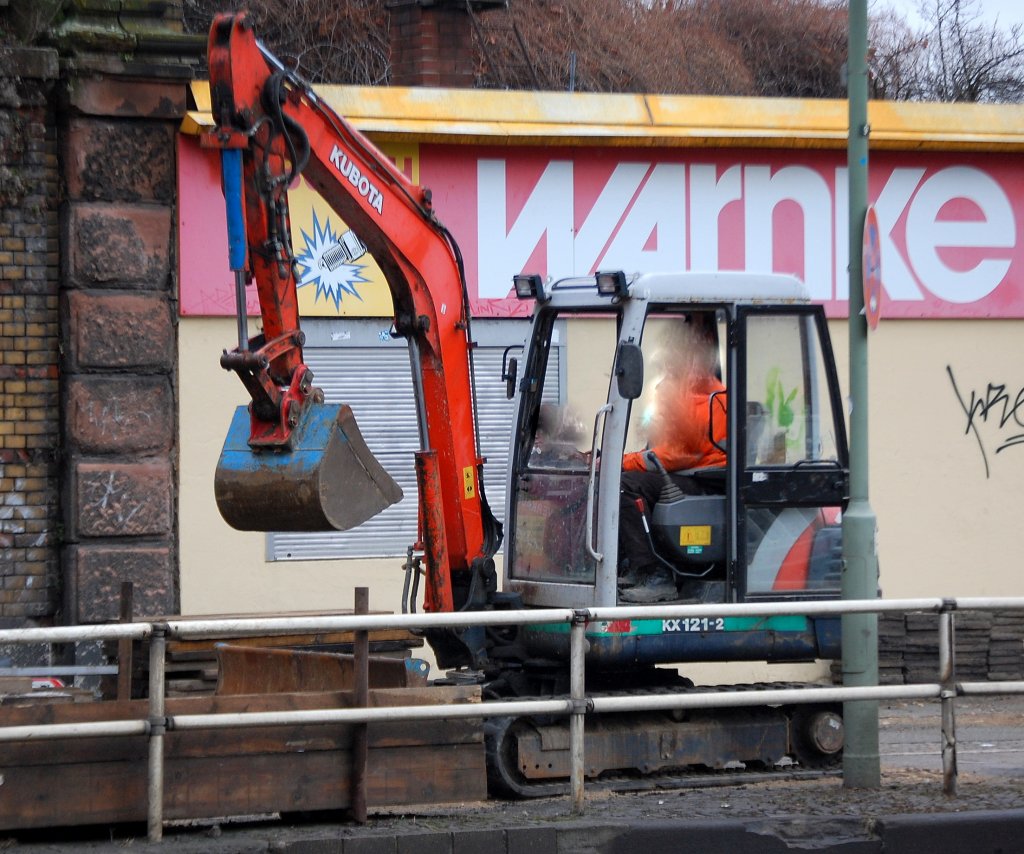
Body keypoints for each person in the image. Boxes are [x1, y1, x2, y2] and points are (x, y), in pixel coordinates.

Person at [618, 313, 727, 603]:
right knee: (625, 480)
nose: (667, 364)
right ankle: (636, 566)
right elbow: (664, 444)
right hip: (689, 472)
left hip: (705, 481)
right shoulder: (685, 393)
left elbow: (680, 453)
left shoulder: (710, 398)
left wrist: (623, 462)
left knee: (626, 486)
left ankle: (655, 574)